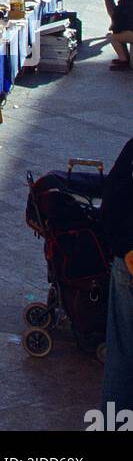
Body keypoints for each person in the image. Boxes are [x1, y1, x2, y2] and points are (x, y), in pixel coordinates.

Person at [100, 136, 133, 415]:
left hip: (127, 260)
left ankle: (114, 419)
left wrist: (120, 249)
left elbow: (110, 203)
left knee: (122, 350)